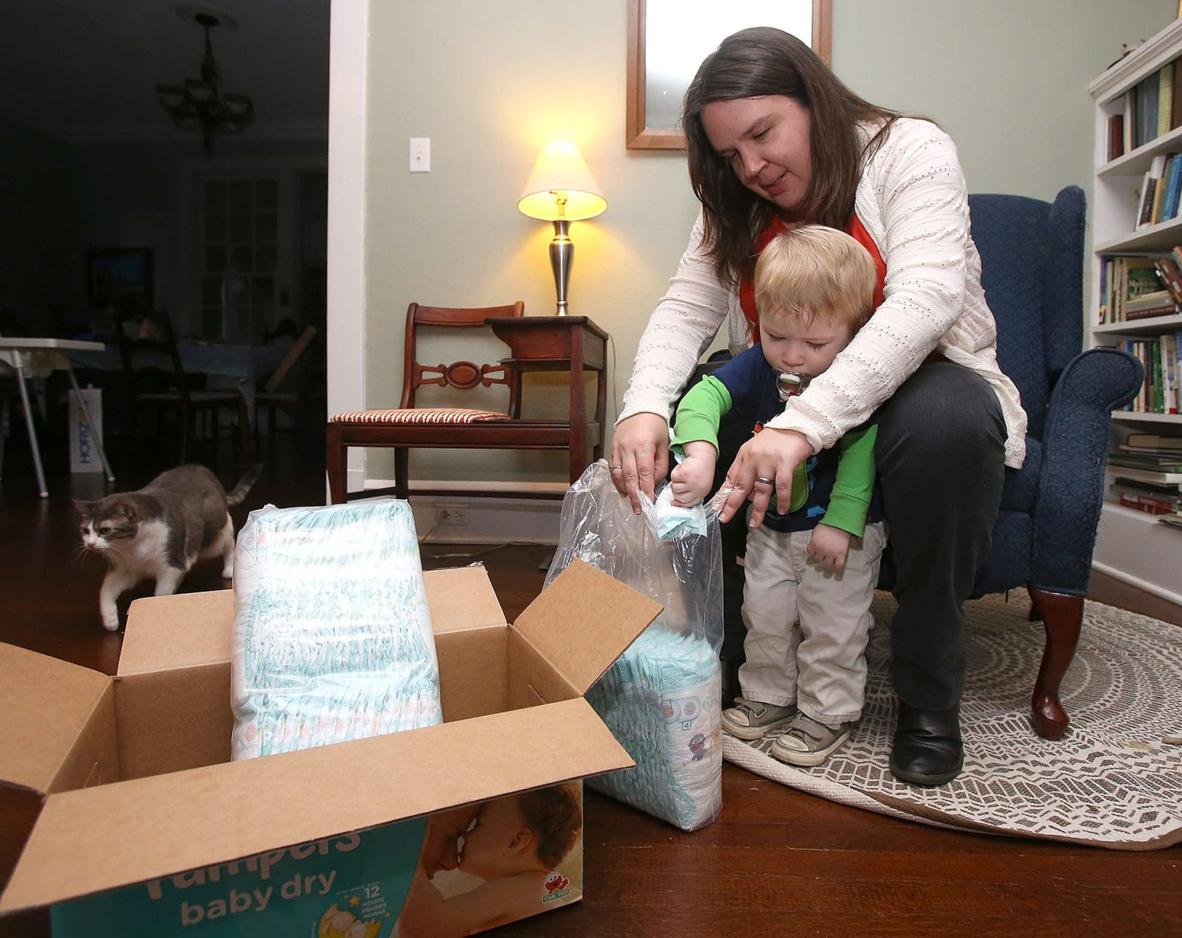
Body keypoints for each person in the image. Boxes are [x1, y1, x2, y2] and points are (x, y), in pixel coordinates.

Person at [609, 27, 1026, 787]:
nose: (753, 167)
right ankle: (739, 667)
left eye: (763, 135)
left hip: (915, 384)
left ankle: (929, 695)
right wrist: (644, 409)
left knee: (946, 425)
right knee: (700, 409)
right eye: (731, 155)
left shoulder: (908, 150)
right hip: (786, 387)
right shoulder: (735, 202)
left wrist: (803, 425)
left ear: (816, 99)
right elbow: (686, 308)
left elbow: (927, 299)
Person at [669, 225, 886, 766]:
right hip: (771, 529)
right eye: (777, 337)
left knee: (832, 623)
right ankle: (767, 696)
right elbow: (703, 397)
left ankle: (827, 712)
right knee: (763, 615)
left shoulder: (856, 373)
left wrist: (843, 521)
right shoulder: (761, 363)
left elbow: (862, 452)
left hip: (839, 531)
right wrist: (699, 453)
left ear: (855, 333)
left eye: (815, 344)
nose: (792, 357)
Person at [393, 786, 582, 936]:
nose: (466, 835)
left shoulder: (519, 889)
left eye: (478, 825)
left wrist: (409, 861)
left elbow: (428, 923)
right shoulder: (538, 885)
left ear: (515, 842)